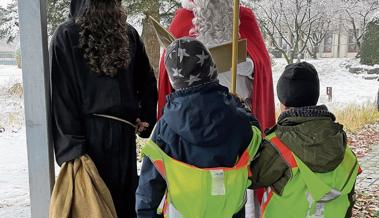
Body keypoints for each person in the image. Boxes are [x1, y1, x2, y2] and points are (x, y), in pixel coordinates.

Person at [49, 0, 158, 217]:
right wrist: (144, 117)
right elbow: (147, 84)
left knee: (92, 206)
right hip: (120, 136)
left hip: (85, 141)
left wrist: (72, 148)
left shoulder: (65, 35)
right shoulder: (128, 33)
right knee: (121, 205)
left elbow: (63, 97)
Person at [136, 38, 262, 218]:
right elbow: (256, 143)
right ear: (212, 70)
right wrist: (240, 107)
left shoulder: (164, 128)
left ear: (173, 81)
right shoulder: (238, 119)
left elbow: (148, 187)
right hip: (229, 211)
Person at [250, 62, 360, 218]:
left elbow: (250, 177)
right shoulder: (339, 142)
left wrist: (249, 124)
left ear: (283, 102)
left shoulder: (277, 145)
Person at [157, 0, 275, 132]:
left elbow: (262, 62)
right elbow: (169, 68)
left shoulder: (244, 16)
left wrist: (248, 66)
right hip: (194, 115)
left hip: (239, 111)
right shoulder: (183, 16)